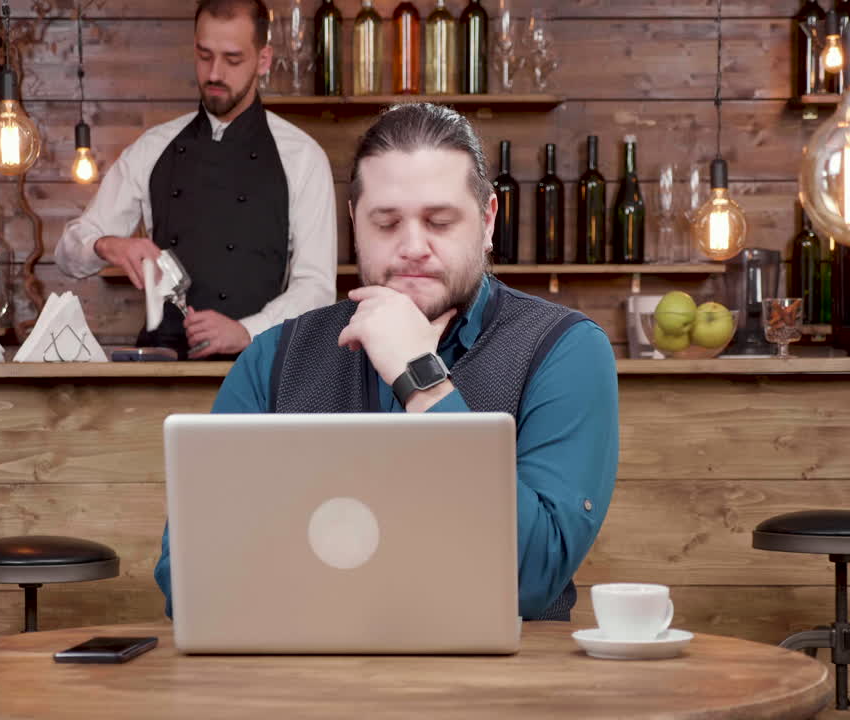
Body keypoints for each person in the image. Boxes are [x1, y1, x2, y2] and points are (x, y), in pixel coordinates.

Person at [156, 103, 619, 621]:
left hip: (500, 693)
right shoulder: (272, 359)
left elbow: (532, 577)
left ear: (488, 222)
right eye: (387, 222)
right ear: (355, 222)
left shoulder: (565, 351)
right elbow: (188, 578)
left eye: (440, 221)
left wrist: (421, 379)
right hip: (305, 687)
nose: (413, 246)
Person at [55, 0, 337, 358]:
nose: (215, 73)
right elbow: (67, 253)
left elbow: (317, 289)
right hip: (161, 370)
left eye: (233, 59)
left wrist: (248, 331)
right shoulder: (153, 148)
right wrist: (108, 245)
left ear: (263, 60)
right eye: (205, 56)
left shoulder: (302, 157)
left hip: (258, 369)